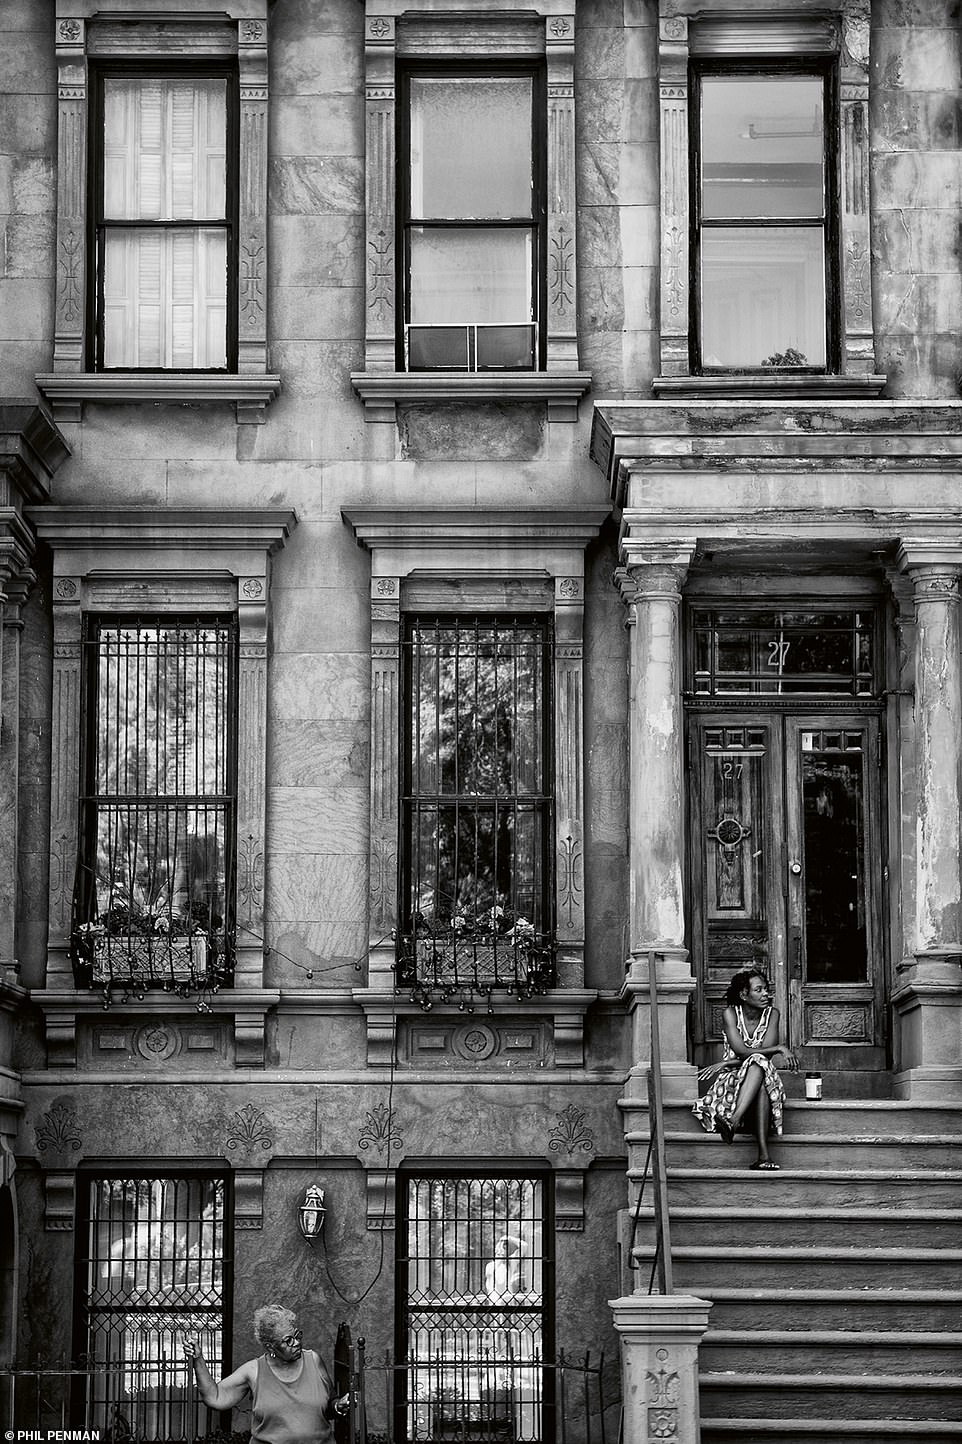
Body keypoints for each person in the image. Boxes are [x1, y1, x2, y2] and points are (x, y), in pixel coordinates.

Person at [183, 1304, 349, 1444]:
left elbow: (328, 1407)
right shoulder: (254, 1371)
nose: (297, 1343)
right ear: (270, 1347)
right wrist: (198, 1360)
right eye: (288, 1340)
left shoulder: (314, 1359)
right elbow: (215, 1397)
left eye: (297, 1335)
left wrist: (338, 1405)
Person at [692, 969, 799, 1170]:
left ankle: (733, 1121)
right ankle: (764, 1155)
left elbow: (761, 1056)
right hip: (732, 1082)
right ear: (743, 994)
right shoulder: (730, 1014)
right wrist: (778, 1048)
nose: (765, 994)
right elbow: (742, 1052)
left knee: (759, 1067)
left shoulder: (772, 1014)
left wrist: (730, 1061)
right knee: (758, 1066)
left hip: (761, 1077)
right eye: (758, 990)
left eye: (766, 989)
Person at [484, 1235, 523, 1302]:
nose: (502, 1251)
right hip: (495, 1301)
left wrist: (509, 1238)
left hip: (507, 1301)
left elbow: (524, 1246)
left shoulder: (511, 1263)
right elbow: (488, 1285)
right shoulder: (490, 1266)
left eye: (505, 1249)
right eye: (500, 1249)